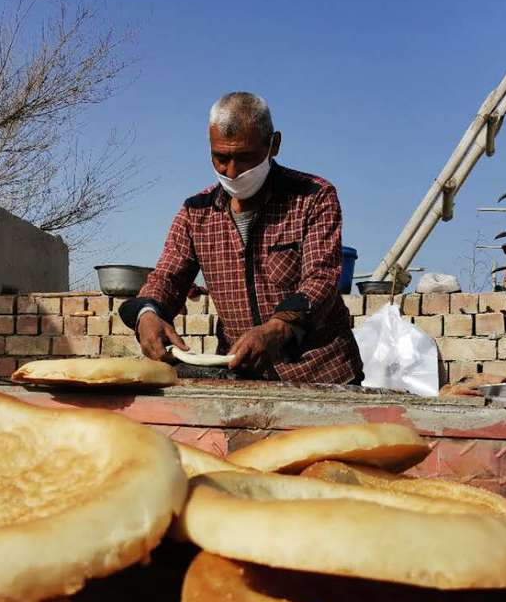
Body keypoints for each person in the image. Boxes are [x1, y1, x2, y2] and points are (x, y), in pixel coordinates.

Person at [119, 92, 363, 384]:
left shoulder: (312, 196)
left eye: (245, 158)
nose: (232, 172)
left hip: (320, 374)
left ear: (274, 145)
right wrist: (147, 314)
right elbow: (167, 278)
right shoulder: (196, 212)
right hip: (242, 375)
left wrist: (276, 328)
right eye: (221, 158)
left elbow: (321, 279)